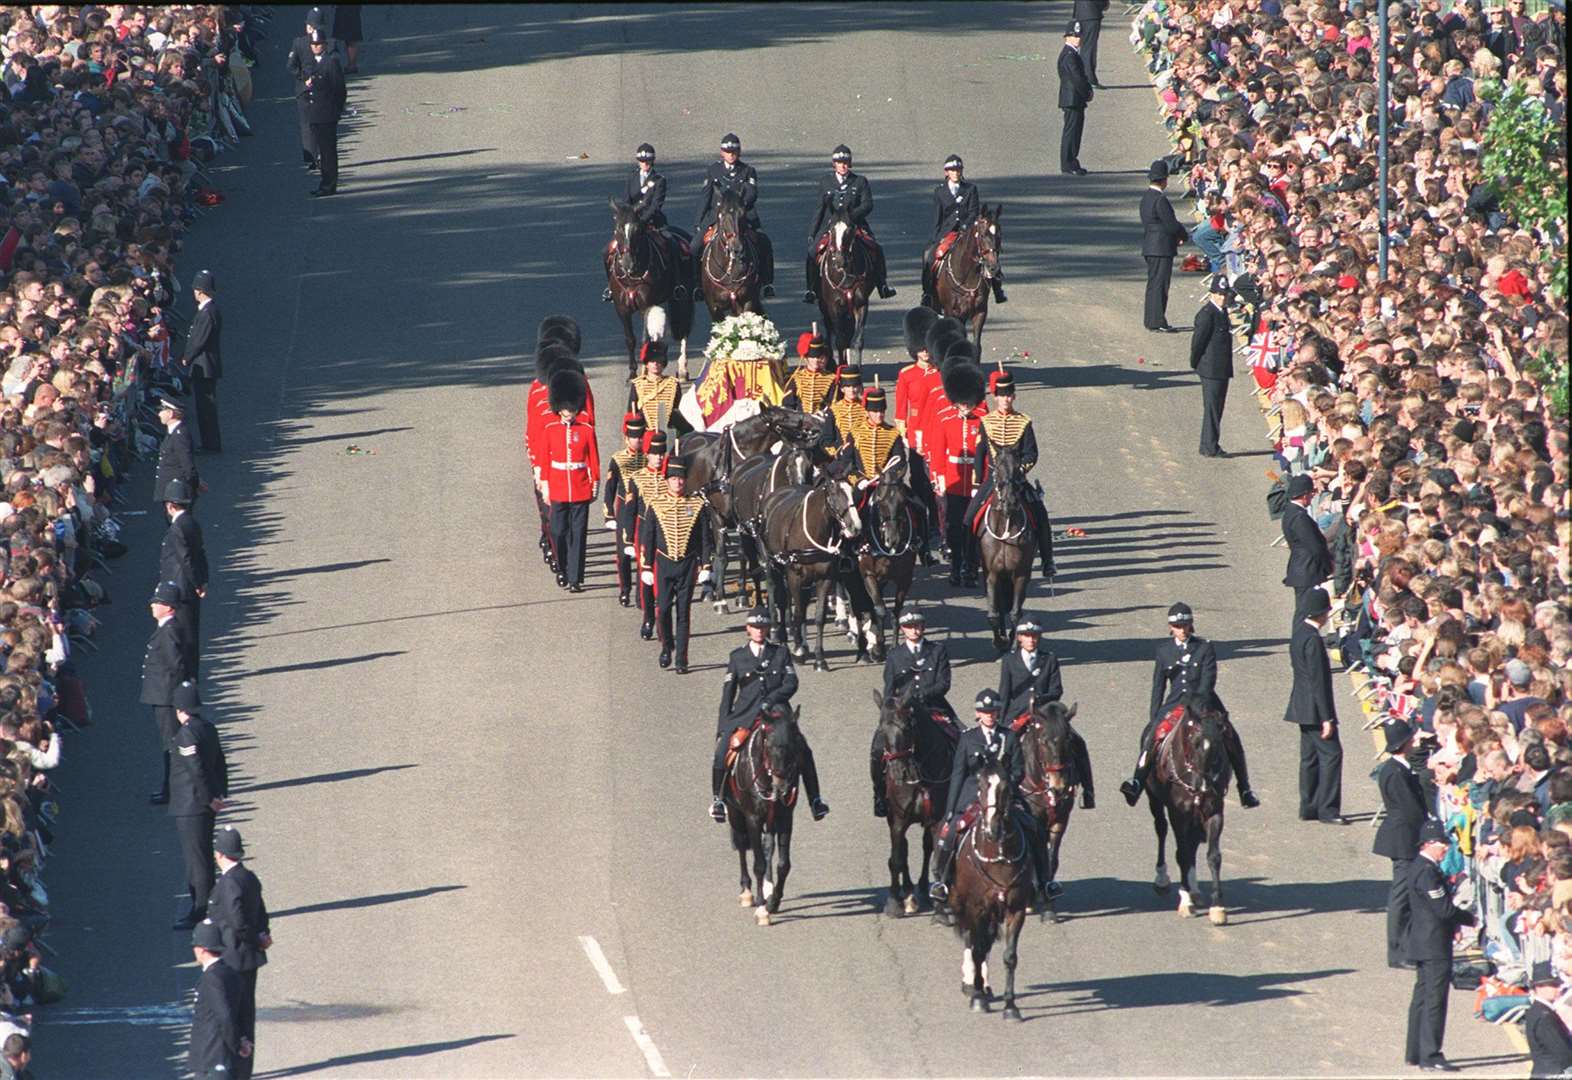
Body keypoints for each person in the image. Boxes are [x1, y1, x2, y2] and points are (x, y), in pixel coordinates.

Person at [1119, 603, 1259, 807]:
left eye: (1185, 625)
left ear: (1191, 625)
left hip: (1204, 702)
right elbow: (1158, 686)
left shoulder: (1204, 647)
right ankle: (1137, 781)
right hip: (1175, 703)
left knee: (1230, 736)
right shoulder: (1164, 651)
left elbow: (1208, 680)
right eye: (1177, 626)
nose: (1182, 630)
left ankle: (1245, 788)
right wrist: (1155, 716)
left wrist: (1199, 704)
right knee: (1152, 735)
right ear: (1170, 627)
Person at [930, 688, 1046, 901]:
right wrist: (950, 809)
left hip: (1003, 795)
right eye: (985, 712)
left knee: (1034, 829)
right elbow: (958, 774)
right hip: (973, 795)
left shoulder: (1009, 737)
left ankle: (1045, 882)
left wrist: (1004, 785)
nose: (989, 715)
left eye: (993, 711)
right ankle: (942, 882)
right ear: (978, 714)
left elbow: (1019, 769)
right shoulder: (968, 739)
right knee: (949, 834)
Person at [713, 611, 827, 822]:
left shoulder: (780, 652)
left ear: (767, 629)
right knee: (722, 753)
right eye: (755, 627)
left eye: (763, 627)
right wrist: (722, 728)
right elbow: (727, 696)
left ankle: (816, 800)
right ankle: (718, 800)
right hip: (745, 716)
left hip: (777, 716)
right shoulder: (737, 657)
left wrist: (772, 700)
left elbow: (791, 683)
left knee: (804, 751)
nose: (759, 631)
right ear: (748, 629)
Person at [962, 373, 1055, 578]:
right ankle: (969, 564)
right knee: (969, 517)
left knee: (1041, 516)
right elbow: (980, 454)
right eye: (1002, 395)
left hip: (1017, 479)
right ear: (995, 397)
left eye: (1009, 395)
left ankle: (1048, 561)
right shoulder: (986, 422)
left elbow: (1032, 454)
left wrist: (1018, 471)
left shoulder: (1024, 422)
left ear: (1014, 397)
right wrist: (978, 482)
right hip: (994, 479)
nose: (1006, 399)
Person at [870, 610, 960, 816]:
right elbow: (889, 687)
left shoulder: (937, 650)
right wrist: (892, 708)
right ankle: (878, 794)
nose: (914, 629)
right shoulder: (894, 655)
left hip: (933, 707)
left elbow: (943, 683)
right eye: (909, 626)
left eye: (918, 625)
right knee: (877, 747)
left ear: (924, 627)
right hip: (903, 712)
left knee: (962, 738)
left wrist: (919, 697)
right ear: (902, 629)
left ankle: (961, 790)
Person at [998, 618, 1095, 807]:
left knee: (1077, 741)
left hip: (1045, 713)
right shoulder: (1009, 660)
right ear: (1019, 638)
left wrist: (1039, 699)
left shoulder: (1049, 659)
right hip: (1019, 713)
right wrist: (1003, 723)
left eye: (1034, 636)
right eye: (1027, 636)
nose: (1031, 640)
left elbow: (1057, 690)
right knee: (1003, 751)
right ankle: (1001, 792)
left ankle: (1088, 790)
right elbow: (1004, 693)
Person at [1403, 819, 1475, 1072]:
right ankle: (1430, 1054)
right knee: (1434, 1000)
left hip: (1424, 941)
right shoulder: (1426, 872)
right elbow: (1443, 909)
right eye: (1442, 844)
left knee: (1422, 997)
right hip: (1433, 944)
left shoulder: (1423, 868)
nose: (1446, 848)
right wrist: (1470, 919)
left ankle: (1415, 1051)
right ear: (1429, 844)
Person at [638, 460, 712, 674]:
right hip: (663, 563)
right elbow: (648, 537)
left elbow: (705, 539)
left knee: (683, 612)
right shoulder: (656, 504)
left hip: (687, 564)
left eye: (680, 478)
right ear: (667, 481)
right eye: (673, 479)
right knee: (662, 609)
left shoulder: (696, 505)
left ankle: (682, 658)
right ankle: (666, 645)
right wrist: (647, 567)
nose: (677, 482)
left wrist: (706, 565)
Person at [208, 827, 271, 1079]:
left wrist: (253, 937)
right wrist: (262, 935)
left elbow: (237, 921)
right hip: (250, 958)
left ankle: (232, 1069)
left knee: (229, 1016)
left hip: (232, 958)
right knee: (246, 1015)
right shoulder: (249, 877)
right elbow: (261, 912)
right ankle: (245, 1070)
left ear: (220, 854)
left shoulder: (228, 883)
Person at [804, 145, 895, 305]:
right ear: (834, 164)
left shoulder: (860, 181)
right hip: (832, 227)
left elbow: (868, 204)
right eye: (839, 162)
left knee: (876, 249)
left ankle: (882, 285)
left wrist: (851, 216)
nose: (843, 165)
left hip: (855, 226)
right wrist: (813, 232)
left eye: (846, 162)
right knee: (812, 253)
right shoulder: (826, 182)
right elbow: (820, 209)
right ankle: (811, 289)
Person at [171, 679, 227, 930]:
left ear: (180, 708)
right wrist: (219, 794)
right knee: (202, 856)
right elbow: (219, 763)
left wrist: (208, 798)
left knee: (197, 860)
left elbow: (197, 770)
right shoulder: (208, 727)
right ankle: (207, 905)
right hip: (206, 802)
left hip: (192, 804)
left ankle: (202, 909)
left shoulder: (186, 735)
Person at [1285, 588, 1344, 824]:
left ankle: (1308, 805)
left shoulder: (1299, 634)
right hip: (1315, 708)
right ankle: (1327, 809)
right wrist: (1327, 717)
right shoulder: (1313, 641)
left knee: (1309, 756)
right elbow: (1319, 681)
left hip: (1301, 705)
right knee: (1332, 755)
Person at [604, 143, 691, 303]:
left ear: (653, 161)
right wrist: (627, 218)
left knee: (672, 245)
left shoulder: (659, 180)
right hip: (631, 223)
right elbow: (626, 201)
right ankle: (611, 287)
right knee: (608, 250)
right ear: (638, 161)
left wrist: (641, 221)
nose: (645, 163)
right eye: (642, 160)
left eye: (648, 160)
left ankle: (677, 284)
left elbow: (656, 205)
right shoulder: (632, 177)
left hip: (652, 223)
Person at [1373, 720, 1428, 969]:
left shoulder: (1398, 768)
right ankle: (1398, 951)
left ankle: (1404, 947)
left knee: (1404, 894)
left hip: (1403, 836)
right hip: (1404, 838)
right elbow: (1411, 809)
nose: (1414, 741)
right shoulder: (1396, 773)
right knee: (1402, 896)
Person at [693, 133, 774, 298]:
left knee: (764, 243)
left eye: (734, 151)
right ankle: (697, 286)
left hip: (741, 217)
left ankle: (766, 283)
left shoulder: (748, 171)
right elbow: (705, 197)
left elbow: (752, 194)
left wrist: (738, 205)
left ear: (739, 152)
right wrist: (698, 222)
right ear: (722, 152)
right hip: (717, 218)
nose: (731, 154)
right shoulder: (713, 170)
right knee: (694, 247)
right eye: (727, 151)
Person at [930, 360, 987, 587]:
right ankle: (955, 566)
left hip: (975, 479)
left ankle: (972, 567)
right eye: (961, 402)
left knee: (973, 525)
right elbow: (937, 451)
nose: (964, 406)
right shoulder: (946, 419)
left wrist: (982, 481)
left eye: (968, 401)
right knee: (955, 525)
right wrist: (940, 479)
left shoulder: (983, 419)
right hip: (953, 480)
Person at [541, 370, 599, 593]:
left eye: (572, 408)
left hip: (580, 487)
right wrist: (545, 485)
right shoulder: (551, 429)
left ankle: (575, 578)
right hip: (558, 487)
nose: (568, 412)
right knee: (557, 531)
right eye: (565, 408)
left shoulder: (585, 430)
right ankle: (563, 566)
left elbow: (593, 458)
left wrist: (595, 482)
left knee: (578, 534)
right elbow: (547, 460)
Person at [923, 156, 1001, 305]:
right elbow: (937, 217)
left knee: (990, 252)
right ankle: (927, 293)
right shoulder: (939, 192)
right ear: (946, 172)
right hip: (947, 234)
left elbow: (973, 211)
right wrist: (935, 239)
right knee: (929, 256)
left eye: (958, 170)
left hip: (968, 232)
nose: (956, 173)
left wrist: (966, 226)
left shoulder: (970, 189)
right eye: (952, 170)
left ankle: (997, 288)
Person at [142, 581, 193, 806]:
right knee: (169, 743)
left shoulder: (169, 631)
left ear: (170, 607)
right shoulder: (167, 628)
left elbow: (176, 666)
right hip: (162, 694)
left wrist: (176, 698)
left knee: (171, 744)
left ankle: (174, 789)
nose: (153, 605)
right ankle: (171, 788)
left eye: (159, 602)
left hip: (166, 696)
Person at [159, 478, 208, 677]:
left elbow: (185, 558)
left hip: (181, 586)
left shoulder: (176, 528)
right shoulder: (191, 522)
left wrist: (195, 581)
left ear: (170, 505)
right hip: (191, 584)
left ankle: (187, 673)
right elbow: (200, 554)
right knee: (191, 631)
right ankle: (191, 672)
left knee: (184, 633)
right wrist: (203, 580)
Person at [190, 920, 251, 1077]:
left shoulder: (211, 978)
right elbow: (243, 1010)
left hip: (212, 1054)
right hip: (223, 1055)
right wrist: (242, 1038)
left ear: (201, 950)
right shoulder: (230, 972)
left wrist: (236, 1044)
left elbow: (224, 1016)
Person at [603, 414, 647, 607]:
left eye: (640, 436)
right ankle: (625, 589)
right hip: (623, 508)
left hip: (643, 509)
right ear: (626, 438)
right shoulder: (618, 459)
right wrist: (609, 514)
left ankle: (641, 594)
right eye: (634, 437)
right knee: (623, 554)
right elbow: (610, 488)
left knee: (642, 552)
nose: (638, 440)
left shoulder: (648, 459)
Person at [630, 430, 669, 639]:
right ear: (647, 454)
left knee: (662, 577)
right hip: (644, 531)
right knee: (647, 577)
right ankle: (648, 618)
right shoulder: (638, 478)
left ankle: (662, 620)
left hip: (666, 532)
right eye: (655, 453)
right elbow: (630, 511)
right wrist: (627, 538)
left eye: (662, 453)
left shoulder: (669, 478)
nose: (659, 457)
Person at [1140, 160, 1188, 332]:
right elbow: (1171, 224)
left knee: (1153, 284)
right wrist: (1183, 235)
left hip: (1150, 246)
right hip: (1161, 248)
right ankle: (1157, 321)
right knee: (1160, 285)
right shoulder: (1160, 200)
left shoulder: (1146, 197)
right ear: (1164, 180)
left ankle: (1151, 319)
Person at [1189, 274, 1233, 457]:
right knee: (1212, 408)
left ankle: (1210, 443)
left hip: (1221, 368)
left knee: (1217, 407)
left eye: (1224, 294)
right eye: (1218, 294)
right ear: (1211, 294)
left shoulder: (1221, 312)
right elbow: (1198, 342)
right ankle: (1209, 446)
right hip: (1211, 369)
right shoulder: (1207, 315)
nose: (1222, 298)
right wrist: (1196, 363)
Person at [302, 23, 347, 197]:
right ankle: (325, 181)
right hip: (315, 114)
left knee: (328, 152)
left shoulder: (331, 63)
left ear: (325, 45)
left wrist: (336, 111)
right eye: (313, 44)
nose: (316, 47)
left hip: (327, 114)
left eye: (319, 44)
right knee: (321, 151)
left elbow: (339, 90)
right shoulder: (312, 63)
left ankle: (329, 184)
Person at [181, 269, 223, 452]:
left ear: (199, 290)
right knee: (205, 405)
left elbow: (198, 340)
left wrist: (187, 357)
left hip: (203, 365)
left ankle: (210, 443)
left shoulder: (206, 313)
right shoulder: (210, 310)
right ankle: (210, 442)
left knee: (206, 406)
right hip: (207, 364)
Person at [894, 307, 942, 456]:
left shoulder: (941, 372)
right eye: (921, 348)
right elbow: (901, 408)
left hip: (938, 427)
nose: (925, 351)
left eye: (927, 347)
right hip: (917, 427)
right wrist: (903, 433)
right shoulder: (906, 375)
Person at [1281, 475, 1333, 609]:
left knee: (1303, 611)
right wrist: (1329, 566)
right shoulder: (1300, 517)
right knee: (1306, 611)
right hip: (1307, 570)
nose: (1313, 496)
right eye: (1311, 493)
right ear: (1304, 495)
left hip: (1302, 569)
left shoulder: (1291, 512)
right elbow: (1315, 547)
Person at [286, 9, 327, 169]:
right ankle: (323, 155)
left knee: (306, 124)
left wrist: (303, 77)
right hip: (323, 88)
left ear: (309, 26)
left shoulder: (299, 43)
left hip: (303, 88)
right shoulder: (328, 42)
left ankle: (310, 157)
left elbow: (290, 66)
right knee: (323, 123)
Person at [1057, 22, 1094, 176]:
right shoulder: (1069, 56)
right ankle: (1069, 162)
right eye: (1074, 36)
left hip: (1073, 99)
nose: (1078, 39)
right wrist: (1087, 92)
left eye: (1079, 36)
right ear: (1067, 37)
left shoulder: (1071, 54)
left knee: (1074, 131)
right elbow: (1077, 78)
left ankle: (1071, 161)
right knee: (1071, 132)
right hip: (1072, 98)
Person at [1524, 963, 1572, 1078]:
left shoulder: (1539, 1010)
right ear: (1538, 987)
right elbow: (1562, 1052)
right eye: (1553, 985)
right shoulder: (1544, 1016)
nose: (1558, 988)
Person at [627, 339, 684, 433]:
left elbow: (678, 410)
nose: (655, 364)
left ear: (663, 364)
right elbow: (631, 412)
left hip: (668, 432)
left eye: (659, 361)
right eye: (652, 361)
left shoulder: (673, 383)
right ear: (647, 364)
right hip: (645, 433)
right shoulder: (637, 384)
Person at [153, 395, 200, 507]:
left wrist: (194, 485)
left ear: (171, 413)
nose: (159, 414)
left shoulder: (180, 435)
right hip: (172, 491)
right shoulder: (173, 432)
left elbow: (187, 464)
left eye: (162, 410)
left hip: (177, 493)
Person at [782, 328, 836, 414]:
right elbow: (788, 405)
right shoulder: (796, 379)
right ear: (806, 358)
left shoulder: (831, 379)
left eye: (819, 357)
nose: (816, 360)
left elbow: (834, 404)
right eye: (812, 357)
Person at [827, 365, 867, 446]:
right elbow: (826, 439)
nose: (852, 390)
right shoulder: (834, 410)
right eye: (848, 386)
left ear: (860, 387)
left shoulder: (866, 408)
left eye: (855, 386)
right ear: (842, 389)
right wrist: (838, 451)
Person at [1073, 0, 1110, 87]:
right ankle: (1089, 78)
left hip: (1081, 13)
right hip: (1092, 13)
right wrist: (1104, 4)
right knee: (1089, 48)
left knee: (1085, 46)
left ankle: (1084, 76)